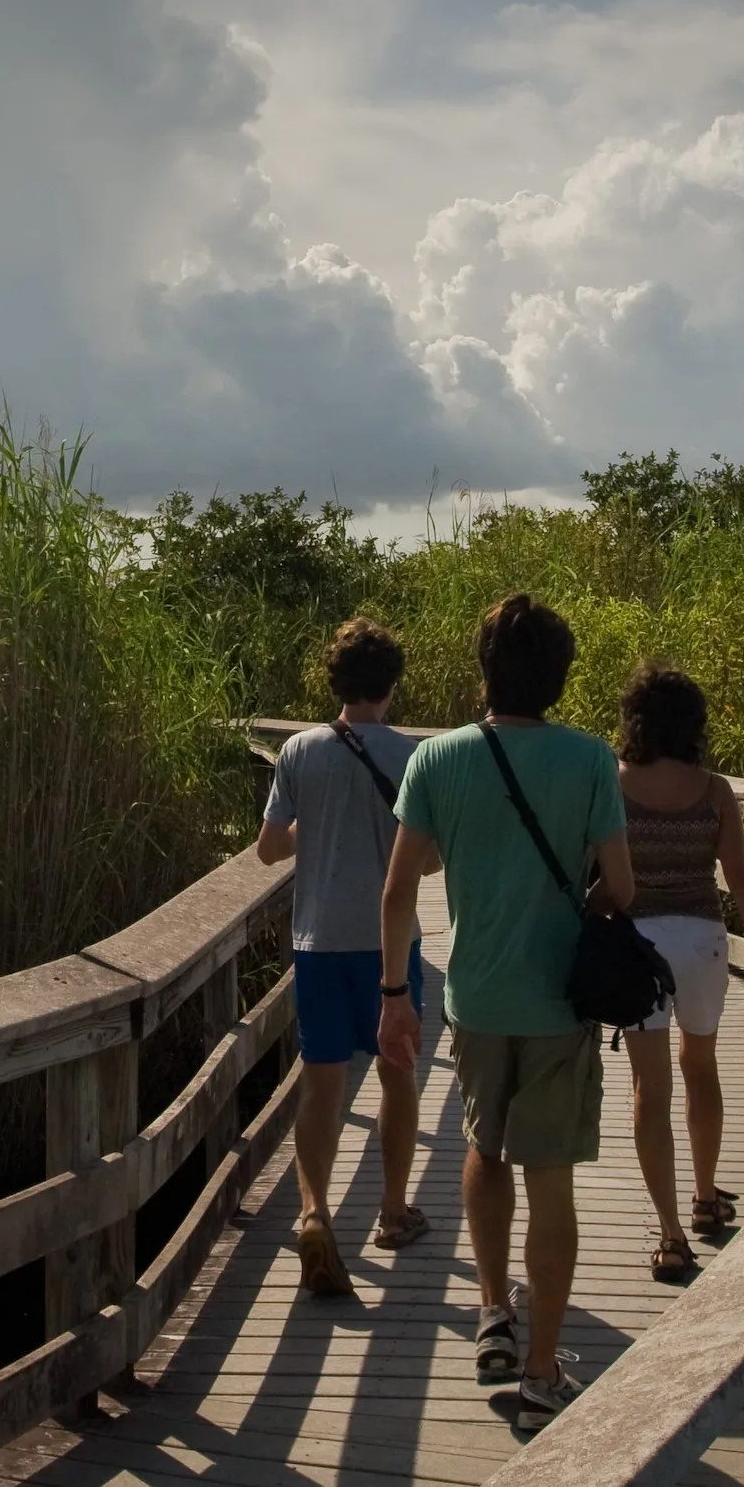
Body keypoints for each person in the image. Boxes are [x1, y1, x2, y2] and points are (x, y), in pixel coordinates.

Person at [378, 592, 633, 1435]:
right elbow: (623, 890)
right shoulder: (593, 760)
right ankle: (540, 1369)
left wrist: (392, 997)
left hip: (476, 998)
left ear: (483, 668)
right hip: (560, 999)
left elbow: (399, 890)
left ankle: (492, 1310)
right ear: (559, 677)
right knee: (548, 1177)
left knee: (483, 1149)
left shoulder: (436, 761)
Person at [258, 617, 428, 1298]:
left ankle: (313, 1212)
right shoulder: (414, 755)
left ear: (336, 681)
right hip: (390, 943)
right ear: (391, 684)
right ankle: (391, 1212)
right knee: (398, 1073)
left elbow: (270, 849)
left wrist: (316, 831)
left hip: (318, 942)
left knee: (321, 1085)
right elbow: (433, 856)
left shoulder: (299, 752)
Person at [614, 662, 744, 1282]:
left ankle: (668, 1236)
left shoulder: (612, 784)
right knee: (701, 1067)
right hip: (703, 943)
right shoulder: (714, 791)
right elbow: (741, 882)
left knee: (649, 1089)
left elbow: (599, 876)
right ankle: (707, 1197)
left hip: (637, 944)